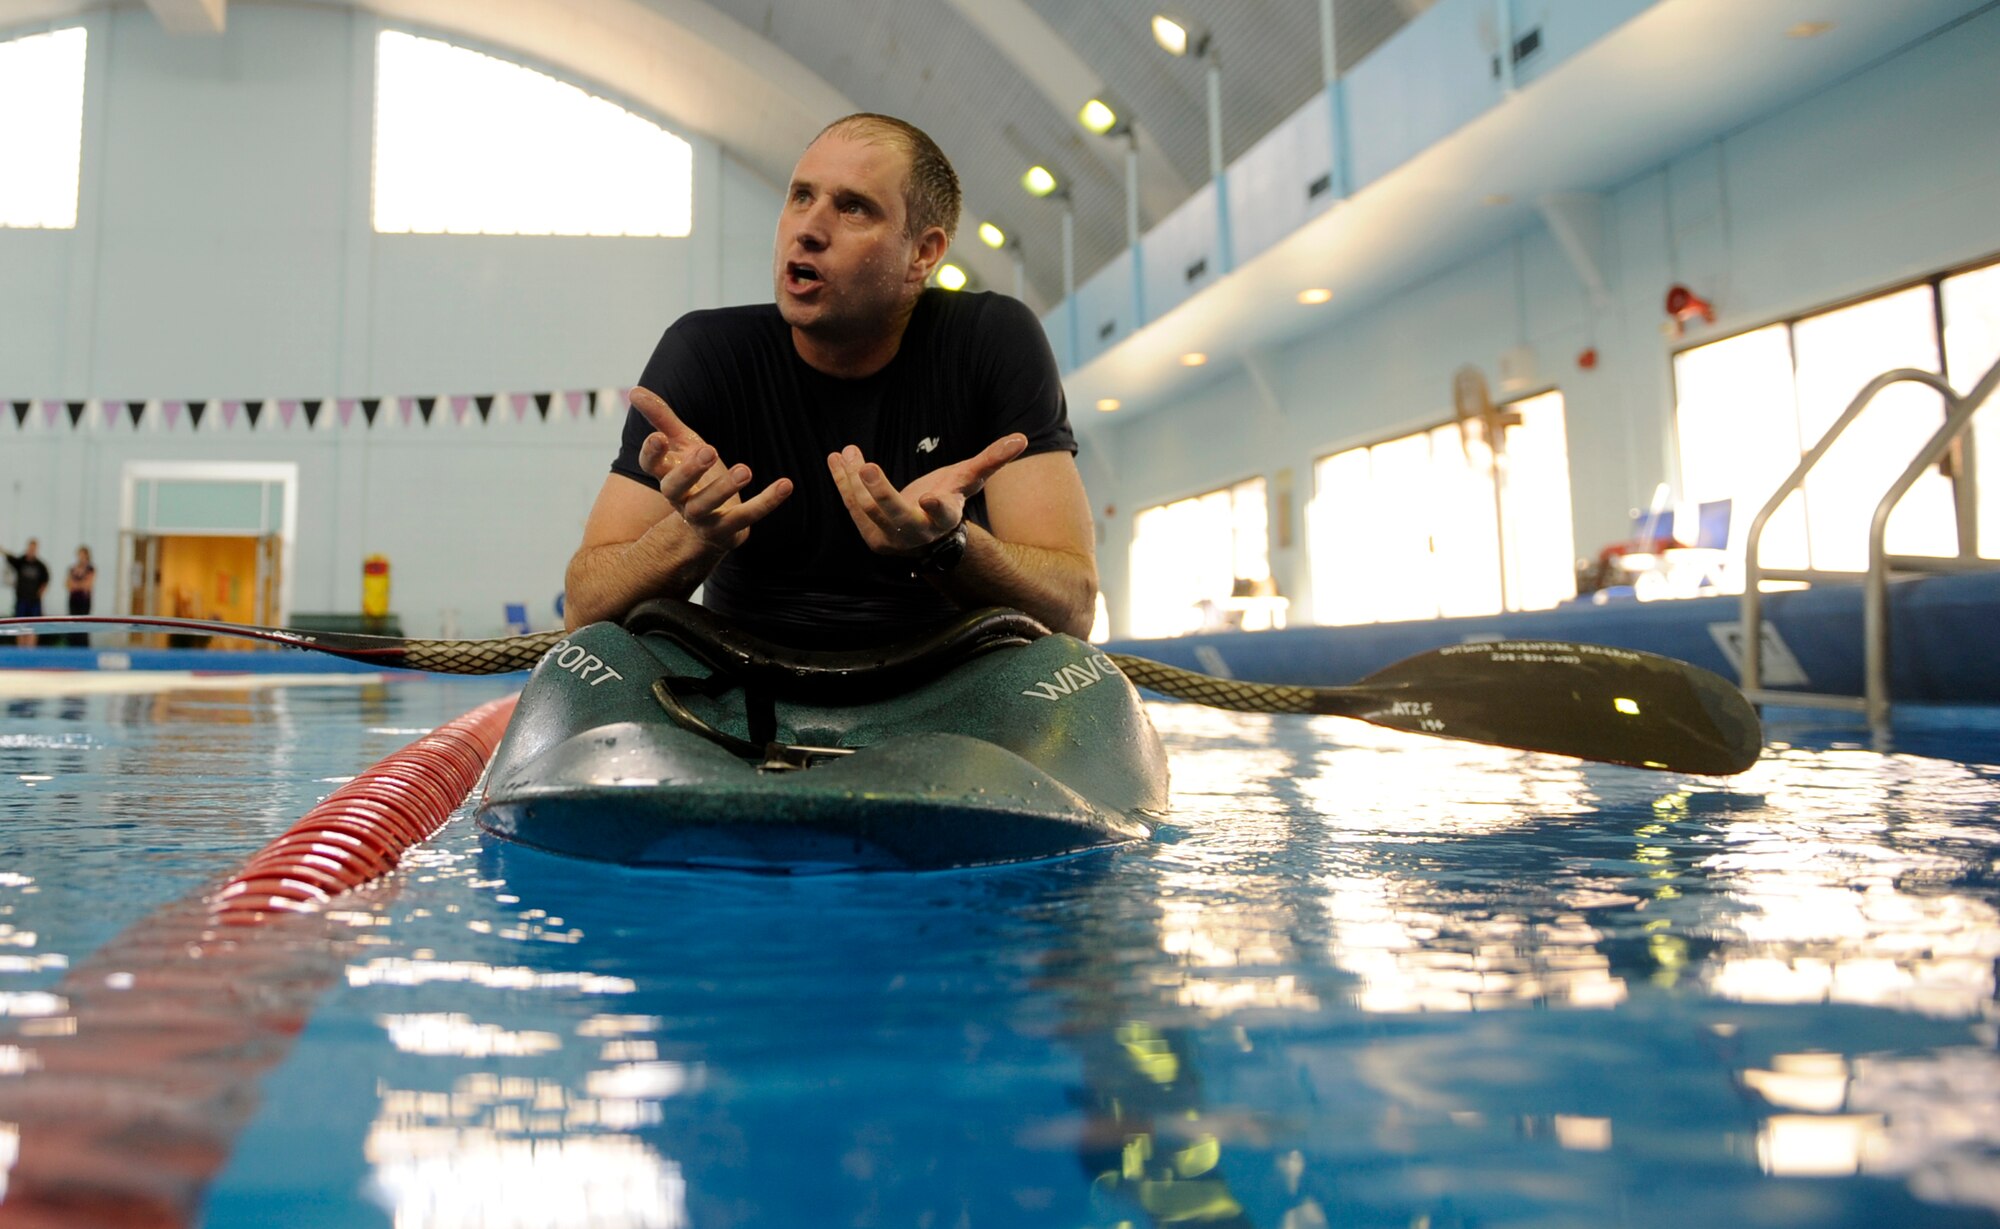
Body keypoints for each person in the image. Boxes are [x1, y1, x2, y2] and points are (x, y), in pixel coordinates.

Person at [564, 113, 1095, 650]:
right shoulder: (706, 353)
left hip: (946, 678)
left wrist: (946, 544)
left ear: (923, 254)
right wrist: (693, 536)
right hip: (740, 680)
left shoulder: (989, 340)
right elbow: (584, 609)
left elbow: (1073, 607)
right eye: (800, 196)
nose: (808, 230)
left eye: (853, 207)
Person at [3, 539, 51, 648]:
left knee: (34, 626)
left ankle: (31, 647)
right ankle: (21, 648)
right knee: (19, 624)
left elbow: (46, 580)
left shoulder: (40, 566)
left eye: (34, 549)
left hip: (34, 600)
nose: (31, 551)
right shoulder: (21, 562)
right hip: (21, 599)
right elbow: (11, 558)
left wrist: (40, 592)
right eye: (30, 548)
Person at [64, 546, 95, 648]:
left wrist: (76, 585)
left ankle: (84, 647)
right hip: (73, 600)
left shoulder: (90, 569)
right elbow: (68, 585)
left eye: (83, 555)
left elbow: (88, 585)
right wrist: (79, 585)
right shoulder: (72, 569)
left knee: (83, 625)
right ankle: (72, 647)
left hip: (84, 601)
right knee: (73, 624)